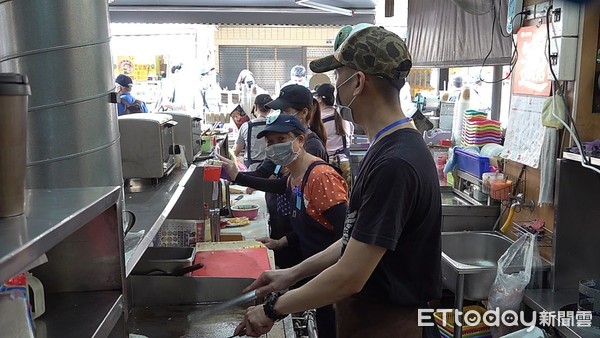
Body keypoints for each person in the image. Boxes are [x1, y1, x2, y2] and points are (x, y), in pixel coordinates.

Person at [232, 25, 442, 338]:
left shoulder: (395, 162)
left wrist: (273, 308)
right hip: (371, 319)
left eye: (337, 75)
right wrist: (290, 274)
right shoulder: (388, 147)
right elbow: (353, 241)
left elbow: (350, 275)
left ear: (357, 82)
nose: (334, 86)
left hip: (393, 325)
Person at [218, 114, 348, 338]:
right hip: (315, 277)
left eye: (281, 139)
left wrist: (341, 294)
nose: (275, 146)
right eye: (270, 142)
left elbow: (347, 239)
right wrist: (282, 241)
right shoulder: (295, 176)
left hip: (333, 283)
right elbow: (314, 225)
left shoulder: (321, 177)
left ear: (300, 140)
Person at [267, 84, 328, 163]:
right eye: (278, 111)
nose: (280, 115)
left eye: (285, 111)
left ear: (304, 113)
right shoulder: (284, 142)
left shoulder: (312, 146)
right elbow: (264, 171)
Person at [314, 84, 354, 188]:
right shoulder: (344, 115)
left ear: (319, 99)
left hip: (328, 164)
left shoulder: (319, 119)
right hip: (346, 163)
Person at [234, 94, 272, 170]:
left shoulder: (246, 126)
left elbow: (236, 151)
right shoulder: (274, 125)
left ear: (255, 107)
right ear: (270, 109)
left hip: (251, 170)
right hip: (270, 170)